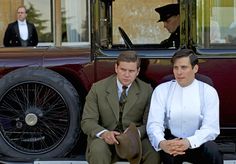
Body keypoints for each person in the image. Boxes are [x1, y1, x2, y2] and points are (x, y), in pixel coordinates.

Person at [81, 51, 160, 164]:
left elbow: (150, 123)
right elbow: (87, 122)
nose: (126, 75)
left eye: (131, 71)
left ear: (137, 72)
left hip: (135, 140)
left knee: (153, 151)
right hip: (105, 140)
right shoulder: (97, 89)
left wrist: (136, 133)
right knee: (98, 149)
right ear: (116, 68)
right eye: (123, 70)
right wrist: (104, 133)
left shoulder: (146, 90)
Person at [147, 48, 223, 164]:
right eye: (176, 68)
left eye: (184, 67)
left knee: (212, 150)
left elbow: (210, 128)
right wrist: (162, 143)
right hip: (172, 142)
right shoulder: (162, 90)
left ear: (195, 68)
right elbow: (154, 123)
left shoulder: (208, 91)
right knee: (168, 155)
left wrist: (188, 142)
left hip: (198, 142)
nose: (179, 72)